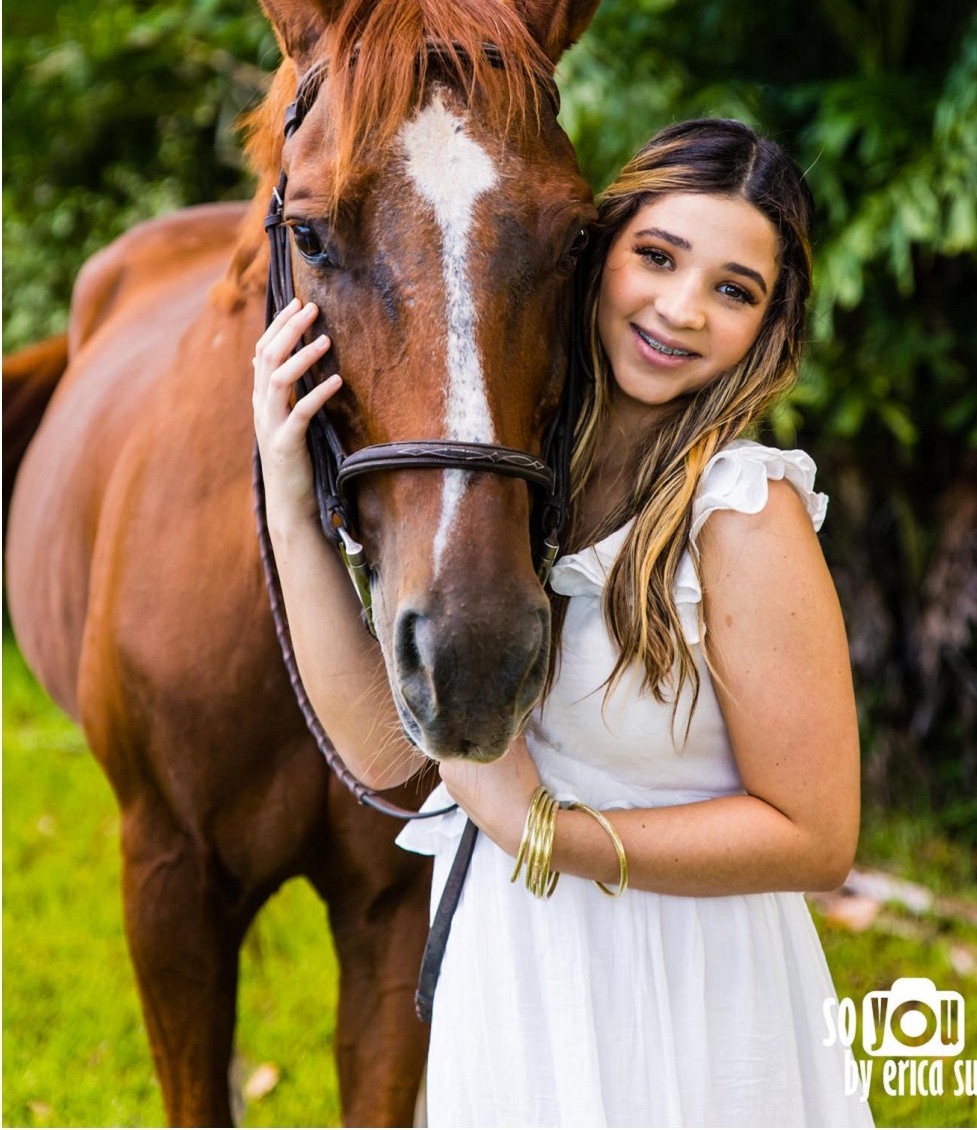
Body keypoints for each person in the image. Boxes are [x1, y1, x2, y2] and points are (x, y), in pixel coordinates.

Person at [254, 118, 873, 1128]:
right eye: (659, 257)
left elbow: (816, 837)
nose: (679, 309)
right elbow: (383, 747)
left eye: (733, 289)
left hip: (678, 998)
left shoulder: (741, 514)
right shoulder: (508, 493)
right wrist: (287, 496)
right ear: (595, 253)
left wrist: (547, 833)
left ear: (767, 327)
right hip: (512, 982)